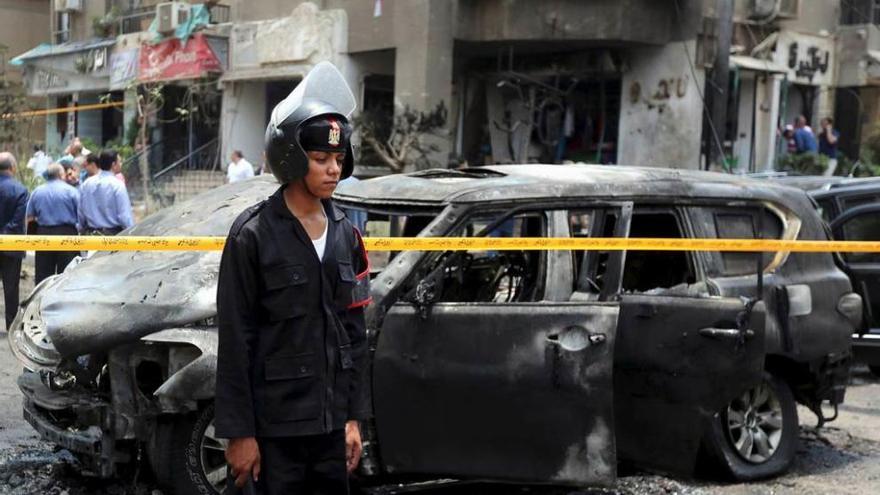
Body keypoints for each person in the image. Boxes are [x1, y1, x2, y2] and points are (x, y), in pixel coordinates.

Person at [216, 62, 370, 495]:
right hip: (274, 431)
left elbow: (354, 333)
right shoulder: (253, 235)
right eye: (321, 159)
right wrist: (240, 434)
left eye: (339, 159)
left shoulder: (346, 234)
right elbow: (235, 339)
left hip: (330, 429)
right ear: (292, 158)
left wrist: (353, 419)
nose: (333, 169)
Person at [25, 163, 80, 284]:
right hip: (67, 234)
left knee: (43, 275)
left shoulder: (37, 192)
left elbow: (30, 217)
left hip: (44, 234)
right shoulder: (72, 191)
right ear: (61, 174)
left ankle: (42, 300)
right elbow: (80, 215)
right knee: (67, 274)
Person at [0, 152, 28, 331]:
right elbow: (18, 220)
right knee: (11, 288)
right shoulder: (20, 190)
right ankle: (11, 326)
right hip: (12, 245)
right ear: (12, 168)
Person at [79, 150, 134, 235]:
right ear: (113, 164)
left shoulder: (86, 184)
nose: (121, 164)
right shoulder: (117, 185)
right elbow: (124, 216)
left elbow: (81, 213)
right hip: (112, 235)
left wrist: (81, 229)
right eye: (119, 161)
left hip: (91, 236)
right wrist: (132, 233)